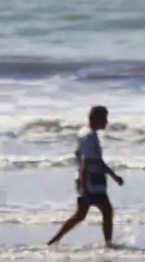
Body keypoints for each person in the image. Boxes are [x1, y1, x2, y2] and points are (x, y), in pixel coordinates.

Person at [47, 104, 124, 247]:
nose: (106, 122)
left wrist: (114, 176)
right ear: (96, 119)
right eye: (104, 119)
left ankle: (54, 241)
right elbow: (85, 163)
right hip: (90, 180)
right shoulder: (88, 136)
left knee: (83, 215)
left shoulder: (89, 133)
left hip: (94, 179)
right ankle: (108, 244)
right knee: (103, 211)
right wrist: (84, 187)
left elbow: (97, 160)